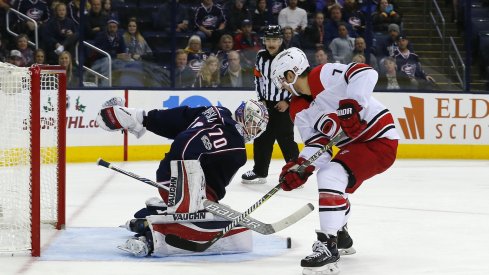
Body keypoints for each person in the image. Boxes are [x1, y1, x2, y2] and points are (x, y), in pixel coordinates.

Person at [270, 47, 399, 274]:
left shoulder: (323, 74)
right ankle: (340, 235)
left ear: (291, 75)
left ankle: (328, 246)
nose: (281, 86)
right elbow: (319, 146)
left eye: (281, 80)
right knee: (334, 181)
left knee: (331, 175)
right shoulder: (298, 110)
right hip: (353, 147)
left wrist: (353, 103)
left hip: (379, 140)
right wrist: (300, 167)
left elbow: (365, 72)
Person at [96, 98, 269, 257]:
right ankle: (153, 236)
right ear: (247, 118)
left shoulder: (216, 111)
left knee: (217, 214)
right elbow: (191, 150)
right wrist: (193, 193)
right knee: (238, 232)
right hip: (183, 184)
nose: (257, 131)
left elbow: (179, 118)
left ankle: (153, 215)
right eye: (256, 125)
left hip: (168, 177)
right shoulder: (237, 148)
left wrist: (143, 118)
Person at [241, 25, 299, 184]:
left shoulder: (290, 57)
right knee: (261, 138)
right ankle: (259, 171)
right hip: (265, 104)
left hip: (284, 105)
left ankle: (295, 172)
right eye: (268, 39)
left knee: (286, 139)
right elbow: (258, 78)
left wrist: (287, 101)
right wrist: (261, 99)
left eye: (275, 39)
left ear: (281, 40)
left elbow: (297, 82)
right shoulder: (260, 56)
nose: (271, 43)